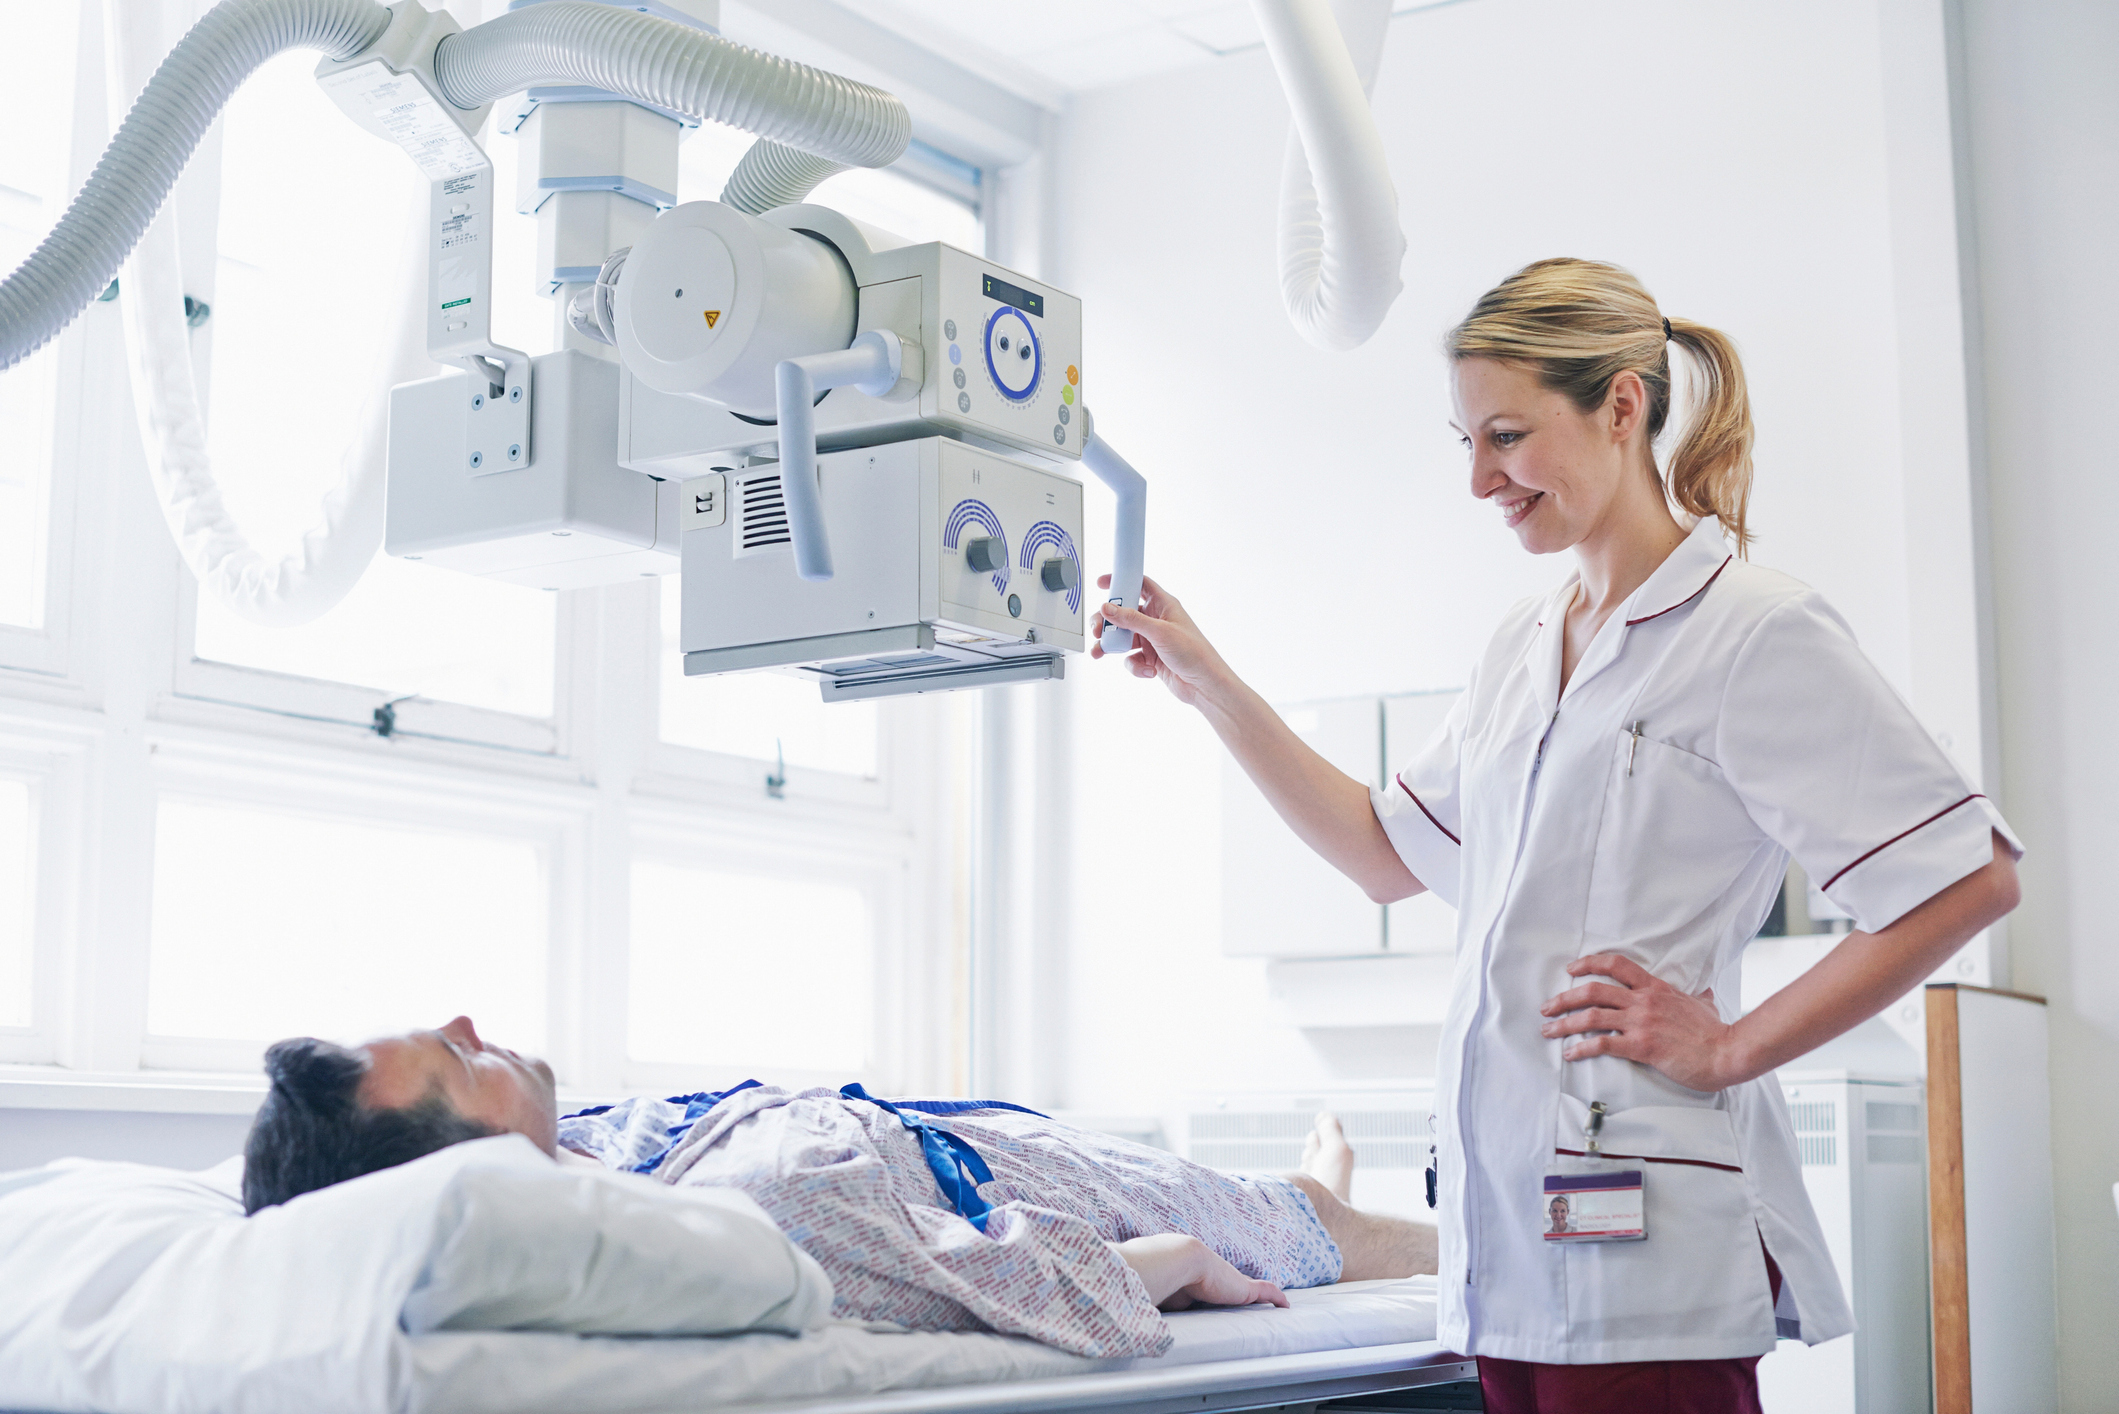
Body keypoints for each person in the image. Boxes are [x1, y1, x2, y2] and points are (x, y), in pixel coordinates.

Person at [1090, 258, 2022, 1412]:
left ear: (1621, 407)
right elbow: (1385, 853)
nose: (1479, 478)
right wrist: (1206, 679)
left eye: (1507, 436)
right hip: (1507, 1252)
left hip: (1644, 1253)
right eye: (1465, 442)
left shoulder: (1750, 630)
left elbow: (1969, 879)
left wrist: (1730, 1046)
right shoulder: (1520, 648)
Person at [241, 1016, 1438, 1359]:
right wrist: (1179, 1256)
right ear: (470, 1165)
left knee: (1289, 1192)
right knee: (1314, 1226)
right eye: (458, 1062)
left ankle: (1309, 1167)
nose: (468, 1021)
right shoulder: (738, 1224)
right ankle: (1316, 1186)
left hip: (962, 1131)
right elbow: (1029, 1282)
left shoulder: (599, 1144)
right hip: (1055, 1184)